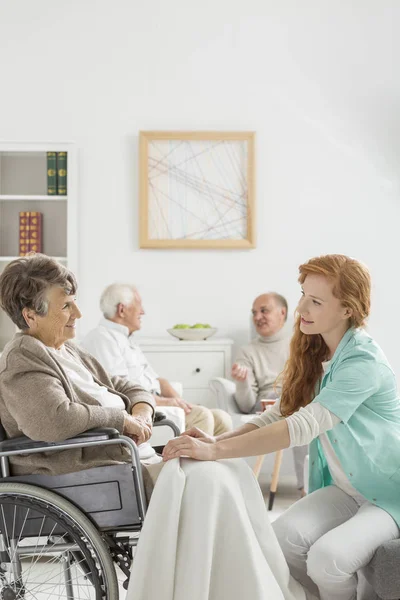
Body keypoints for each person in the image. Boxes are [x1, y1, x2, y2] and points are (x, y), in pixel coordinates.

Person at [163, 254, 400, 600]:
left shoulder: (363, 360)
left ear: (347, 309)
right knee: (280, 539)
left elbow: (303, 425)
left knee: (327, 558)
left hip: (386, 494)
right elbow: (281, 412)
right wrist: (218, 439)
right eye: (302, 293)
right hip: (347, 489)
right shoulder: (317, 349)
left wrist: (215, 451)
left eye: (315, 301)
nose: (301, 306)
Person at [0, 254, 161, 499]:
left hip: (129, 462)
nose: (78, 313)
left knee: (214, 470)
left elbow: (123, 386)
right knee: (209, 482)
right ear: (30, 316)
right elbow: (53, 420)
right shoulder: (23, 357)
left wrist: (142, 413)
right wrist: (121, 419)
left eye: (74, 302)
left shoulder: (67, 349)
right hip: (93, 474)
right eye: (66, 306)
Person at [81, 283, 232, 437]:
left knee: (222, 418)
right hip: (140, 410)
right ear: (122, 310)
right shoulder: (101, 339)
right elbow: (119, 392)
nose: (143, 311)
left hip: (155, 402)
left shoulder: (127, 339)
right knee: (202, 416)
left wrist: (180, 402)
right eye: (138, 305)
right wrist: (166, 402)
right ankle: (186, 461)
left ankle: (213, 461)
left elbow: (158, 381)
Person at [231, 292, 308, 496]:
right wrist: (242, 382)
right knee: (301, 411)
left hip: (298, 400)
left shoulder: (303, 343)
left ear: (282, 313)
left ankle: (309, 486)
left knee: (305, 413)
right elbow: (246, 405)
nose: (257, 317)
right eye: (254, 313)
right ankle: (305, 489)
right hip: (268, 403)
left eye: (264, 310)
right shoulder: (247, 351)